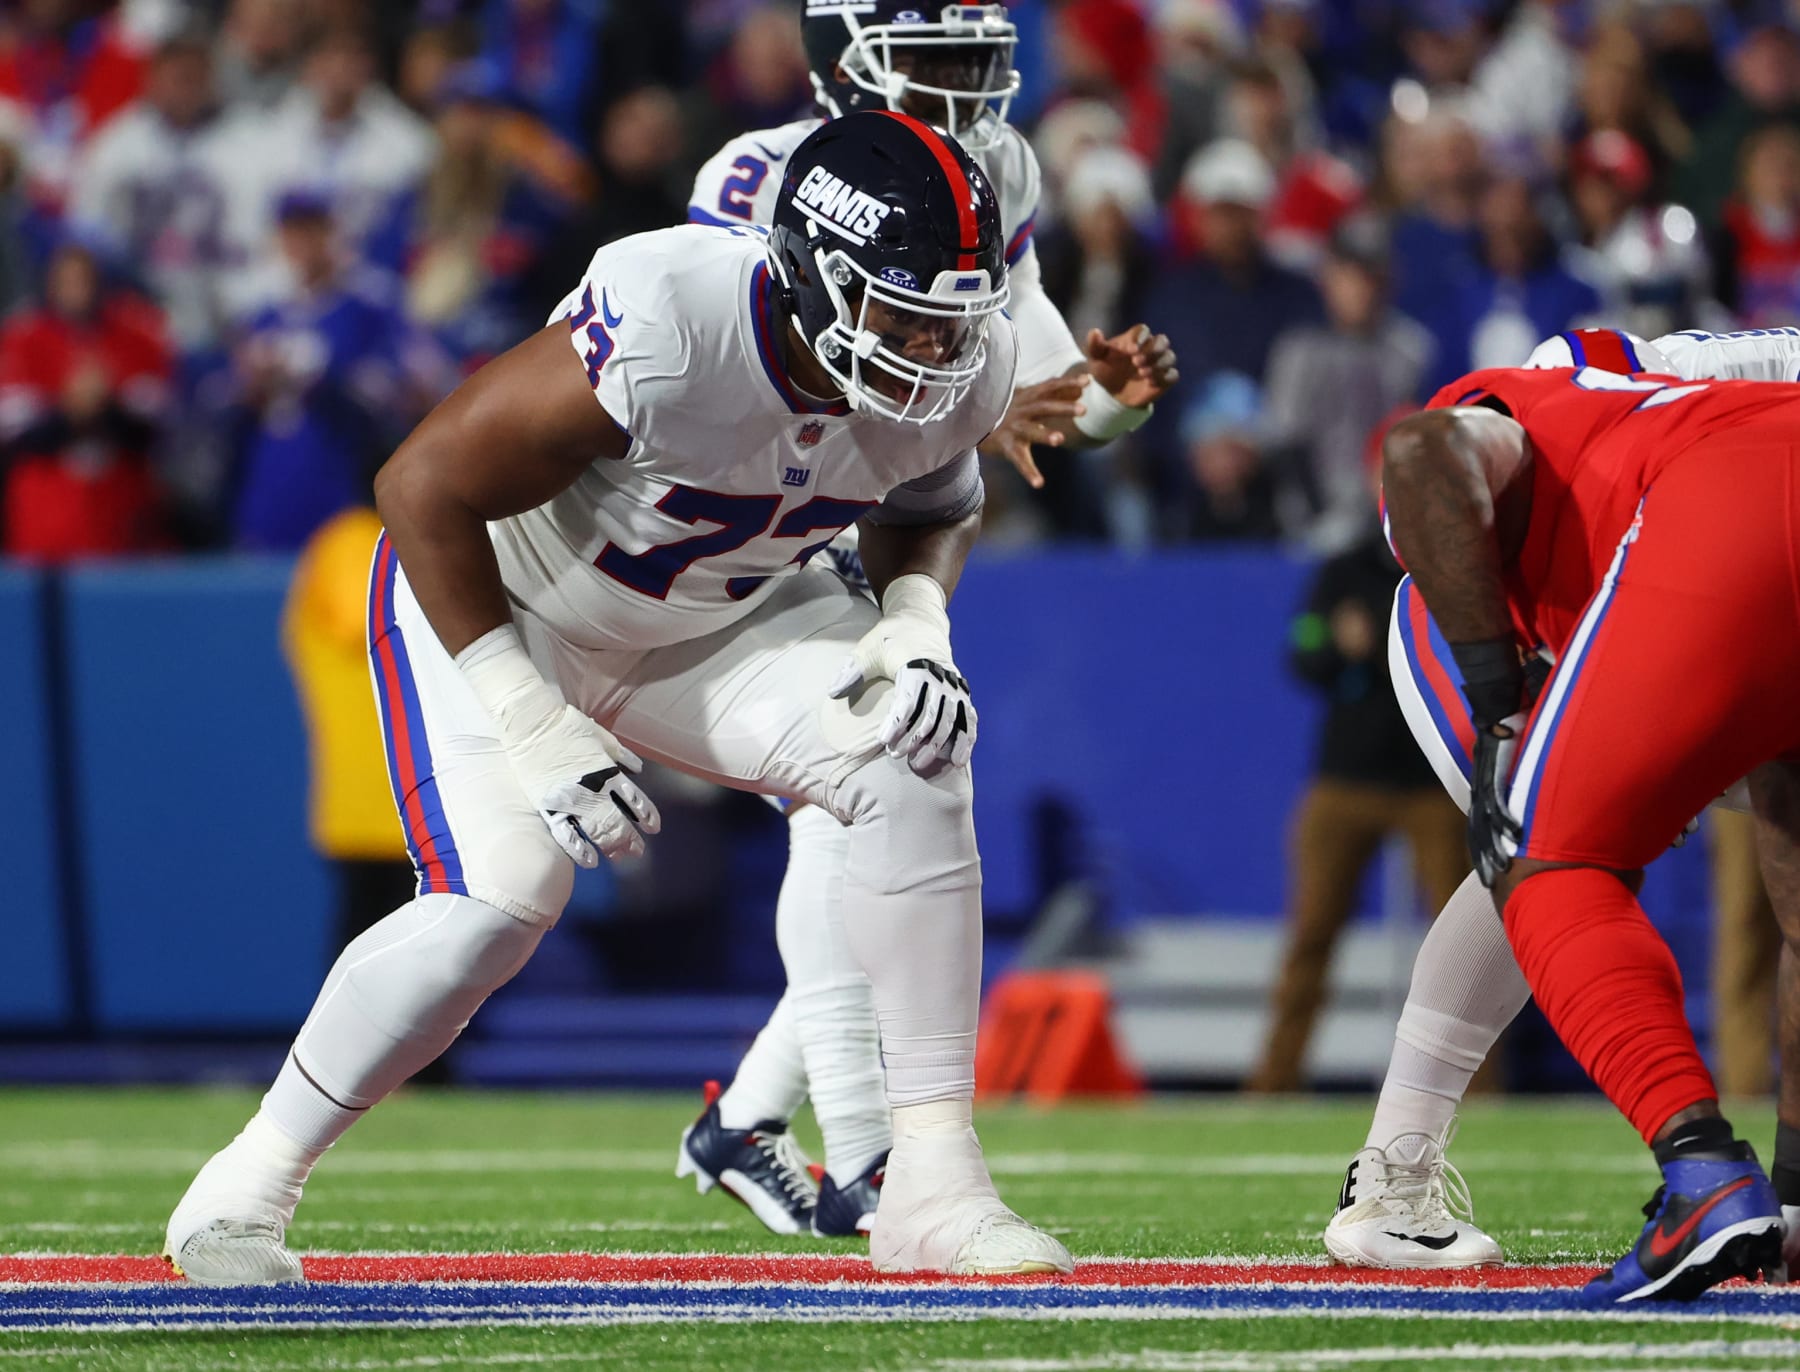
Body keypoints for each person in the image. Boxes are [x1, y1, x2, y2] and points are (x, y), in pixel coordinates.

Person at [162, 109, 1071, 1285]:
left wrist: (912, 622)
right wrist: (531, 716)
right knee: (504, 897)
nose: (934, 352)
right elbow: (423, 486)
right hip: (509, 606)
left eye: (955, 320)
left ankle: (933, 1191)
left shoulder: (965, 361)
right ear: (811, 272)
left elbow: (933, 505)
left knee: (914, 749)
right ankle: (248, 1181)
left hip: (716, 621)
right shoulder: (674, 317)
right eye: (903, 316)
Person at [678, 0, 1177, 1238]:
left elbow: (1040, 392)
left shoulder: (995, 168)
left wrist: (1105, 403)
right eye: (933, 61)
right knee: (848, 806)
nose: (963, 90)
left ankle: (758, 1120)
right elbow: (730, 370)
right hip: (772, 507)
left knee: (878, 813)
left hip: (894, 514)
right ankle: (860, 1150)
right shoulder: (760, 172)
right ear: (844, 59)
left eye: (975, 62)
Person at [1353, 333, 1800, 1303]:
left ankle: (1710, 1176)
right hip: (1537, 592)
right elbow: (1426, 454)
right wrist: (1501, 701)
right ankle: (1394, 1166)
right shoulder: (1581, 390)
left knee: (1555, 856)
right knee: (1541, 844)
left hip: (1697, 544)